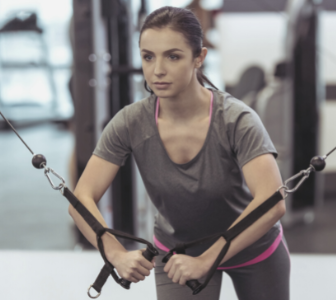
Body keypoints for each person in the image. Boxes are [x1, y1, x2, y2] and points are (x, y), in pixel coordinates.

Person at [68, 6, 290, 299]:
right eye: (148, 57)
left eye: (173, 56)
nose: (158, 70)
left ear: (199, 58)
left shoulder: (236, 119)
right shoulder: (131, 121)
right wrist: (116, 253)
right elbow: (81, 198)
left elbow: (272, 202)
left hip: (253, 248)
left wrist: (205, 260)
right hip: (178, 253)